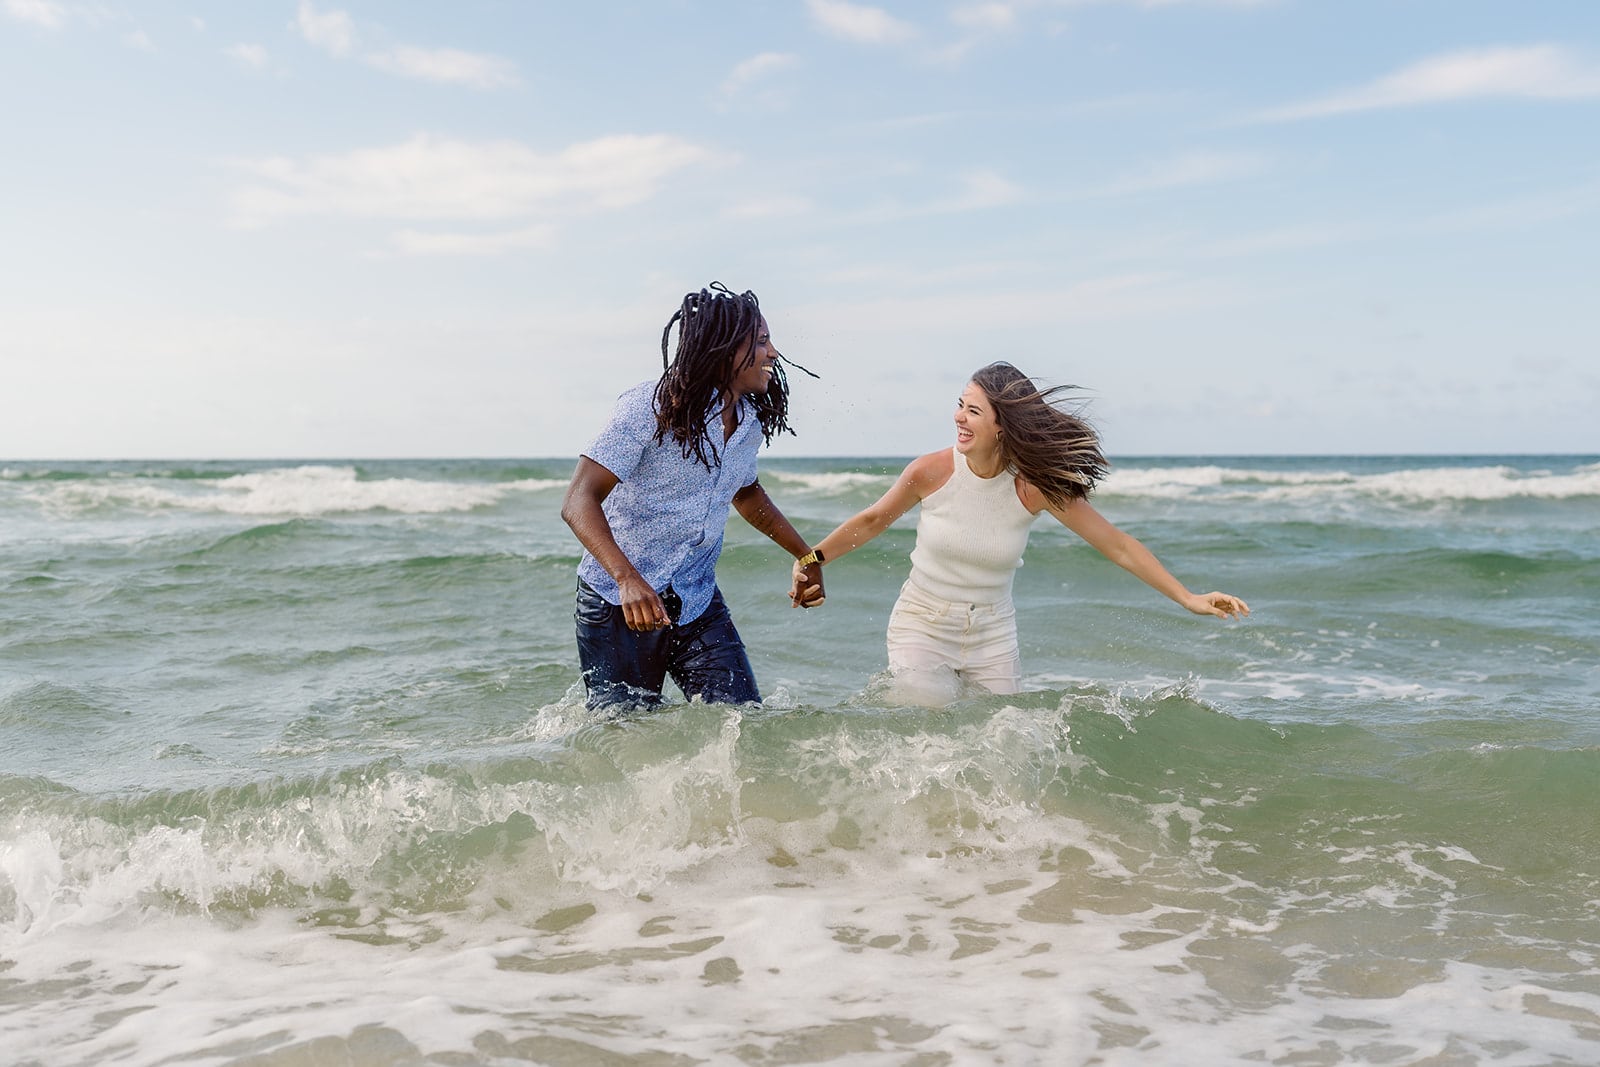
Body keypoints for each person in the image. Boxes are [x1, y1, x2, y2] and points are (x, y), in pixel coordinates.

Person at [788, 361, 1247, 704]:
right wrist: (811, 560)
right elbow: (872, 521)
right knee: (923, 731)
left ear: (1001, 425)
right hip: (922, 624)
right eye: (959, 406)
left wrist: (1188, 598)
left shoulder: (1033, 488)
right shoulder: (932, 471)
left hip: (992, 634)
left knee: (1000, 745)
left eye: (972, 411)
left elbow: (1119, 546)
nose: (958, 418)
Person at [561, 282, 823, 711]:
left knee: (743, 722)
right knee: (625, 739)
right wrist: (628, 580)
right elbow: (578, 500)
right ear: (723, 350)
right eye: (760, 342)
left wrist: (805, 556)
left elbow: (746, 493)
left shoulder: (749, 420)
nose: (773, 352)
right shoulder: (649, 406)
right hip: (618, 605)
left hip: (696, 600)